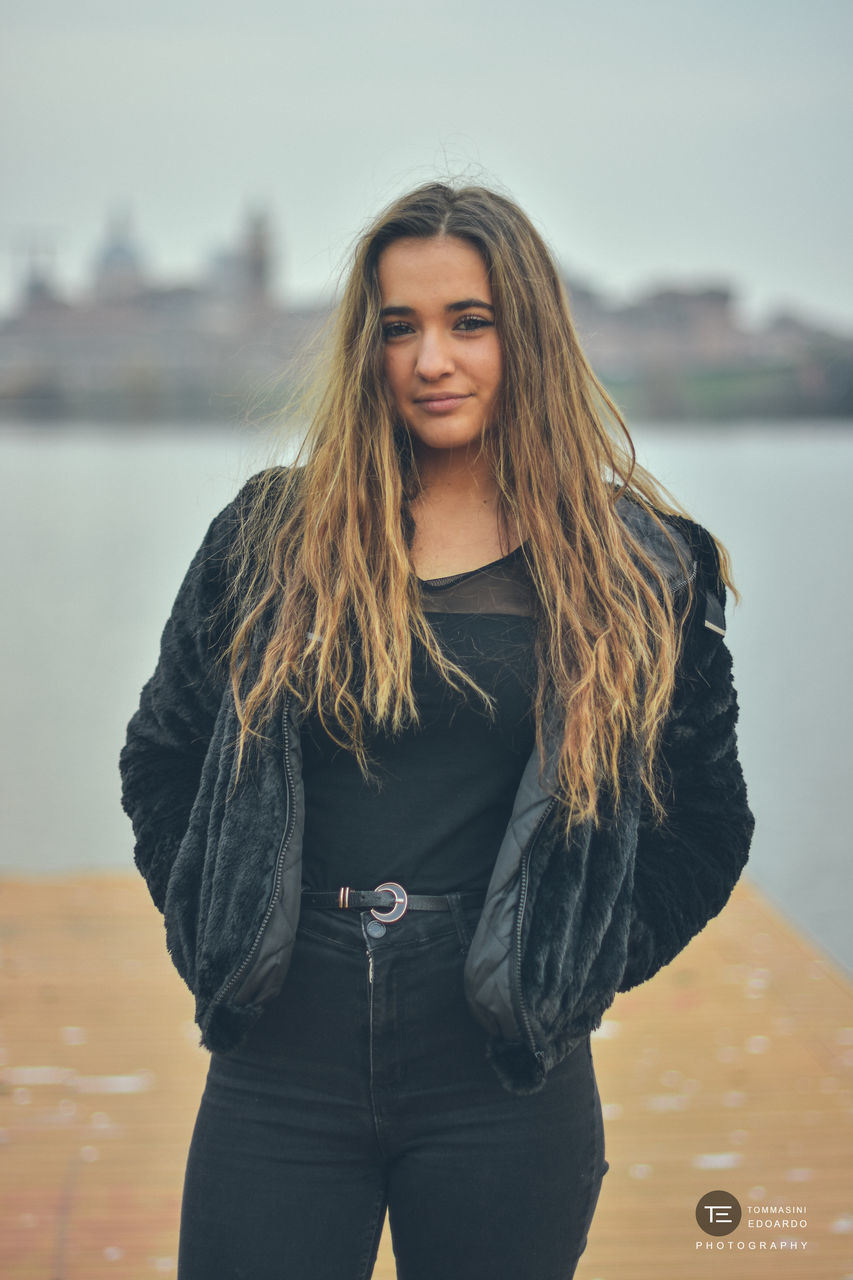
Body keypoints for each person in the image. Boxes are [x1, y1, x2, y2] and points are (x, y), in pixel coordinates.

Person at [120, 181, 754, 1280]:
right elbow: (163, 758)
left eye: (469, 322)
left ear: (529, 336)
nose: (431, 360)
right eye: (398, 326)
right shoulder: (269, 537)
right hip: (280, 1063)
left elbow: (704, 820)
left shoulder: (636, 566)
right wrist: (213, 930)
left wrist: (573, 962)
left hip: (502, 1079)